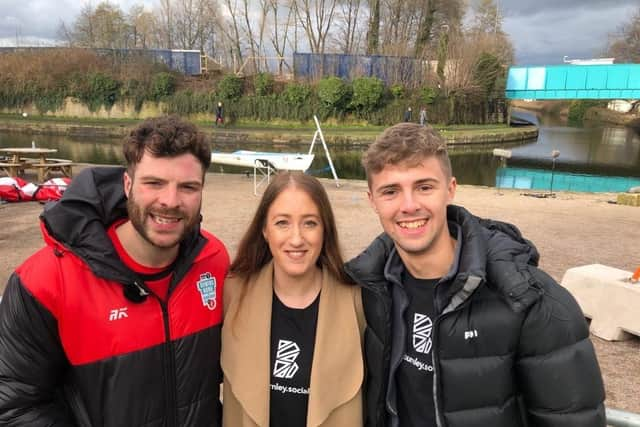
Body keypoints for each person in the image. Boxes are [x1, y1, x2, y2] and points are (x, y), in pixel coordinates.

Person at [345, 122, 606, 427]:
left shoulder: (531, 301)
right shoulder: (370, 288)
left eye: (424, 187)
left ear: (451, 189)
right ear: (372, 201)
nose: (409, 205)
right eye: (390, 191)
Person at [0, 116, 230, 426]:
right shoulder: (45, 282)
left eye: (188, 187)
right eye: (154, 183)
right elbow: (14, 406)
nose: (170, 201)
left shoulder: (213, 261)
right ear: (128, 185)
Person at [222, 172, 365, 427]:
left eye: (310, 223)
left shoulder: (358, 301)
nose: (297, 239)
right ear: (265, 230)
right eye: (282, 223)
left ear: (325, 230)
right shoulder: (234, 293)